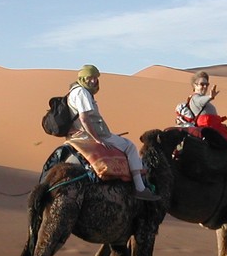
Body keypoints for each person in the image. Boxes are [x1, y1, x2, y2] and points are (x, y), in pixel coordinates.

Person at [67, 64, 160, 201]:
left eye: (95, 78)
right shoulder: (83, 93)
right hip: (89, 135)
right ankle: (140, 188)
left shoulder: (73, 91)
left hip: (78, 133)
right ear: (82, 78)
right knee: (130, 146)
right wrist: (98, 139)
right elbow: (84, 119)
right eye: (89, 78)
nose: (93, 81)